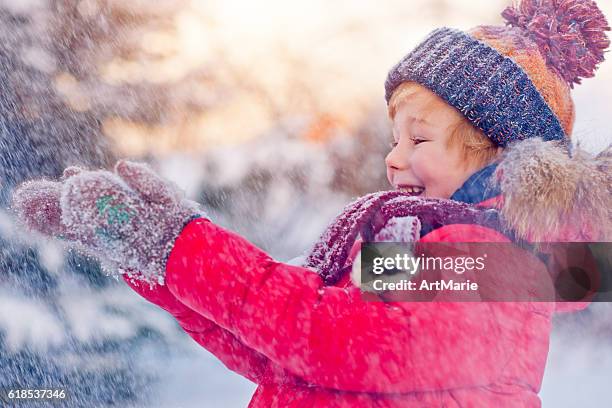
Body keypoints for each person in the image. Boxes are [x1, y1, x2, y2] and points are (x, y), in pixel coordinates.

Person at [10, 0, 611, 406]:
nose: (394, 159)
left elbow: (329, 337)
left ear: (497, 159)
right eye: (394, 138)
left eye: (420, 139)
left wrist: (182, 244)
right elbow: (278, 348)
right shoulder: (415, 251)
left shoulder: (492, 268)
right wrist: (151, 258)